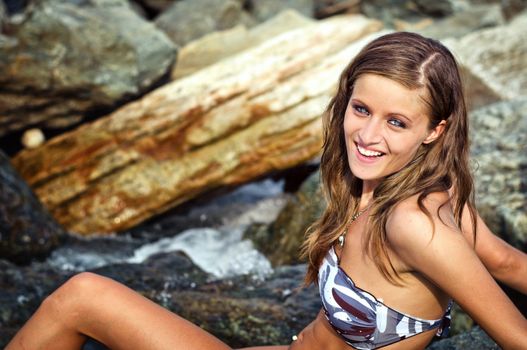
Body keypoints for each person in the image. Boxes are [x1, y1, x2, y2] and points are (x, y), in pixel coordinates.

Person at [6, 32, 527, 350]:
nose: (368, 136)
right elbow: (507, 264)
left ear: (435, 130)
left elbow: (516, 337)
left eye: (397, 122)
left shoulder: (413, 222)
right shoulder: (420, 188)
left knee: (81, 297)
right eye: (362, 110)